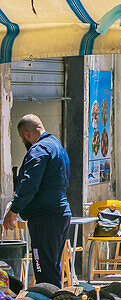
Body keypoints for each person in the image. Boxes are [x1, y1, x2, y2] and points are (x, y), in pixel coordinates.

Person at [3, 115, 71, 287]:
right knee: (51, 267)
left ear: (27, 135)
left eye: (21, 138)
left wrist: (13, 210)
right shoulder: (57, 146)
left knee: (44, 270)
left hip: (45, 218)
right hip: (59, 214)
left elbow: (29, 184)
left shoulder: (39, 150)